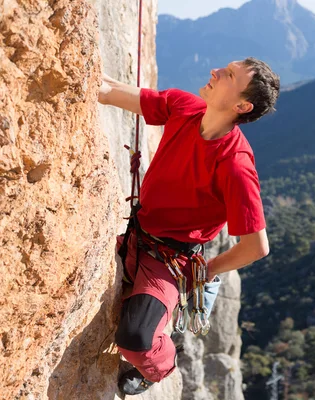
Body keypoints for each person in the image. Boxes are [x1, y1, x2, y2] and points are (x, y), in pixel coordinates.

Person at [98, 57, 280, 395]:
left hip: (169, 259)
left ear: (242, 105)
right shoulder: (186, 106)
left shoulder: (235, 164)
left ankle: (161, 367)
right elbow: (113, 92)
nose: (214, 71)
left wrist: (206, 271)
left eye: (227, 75)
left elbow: (256, 246)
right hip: (138, 232)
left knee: (135, 339)